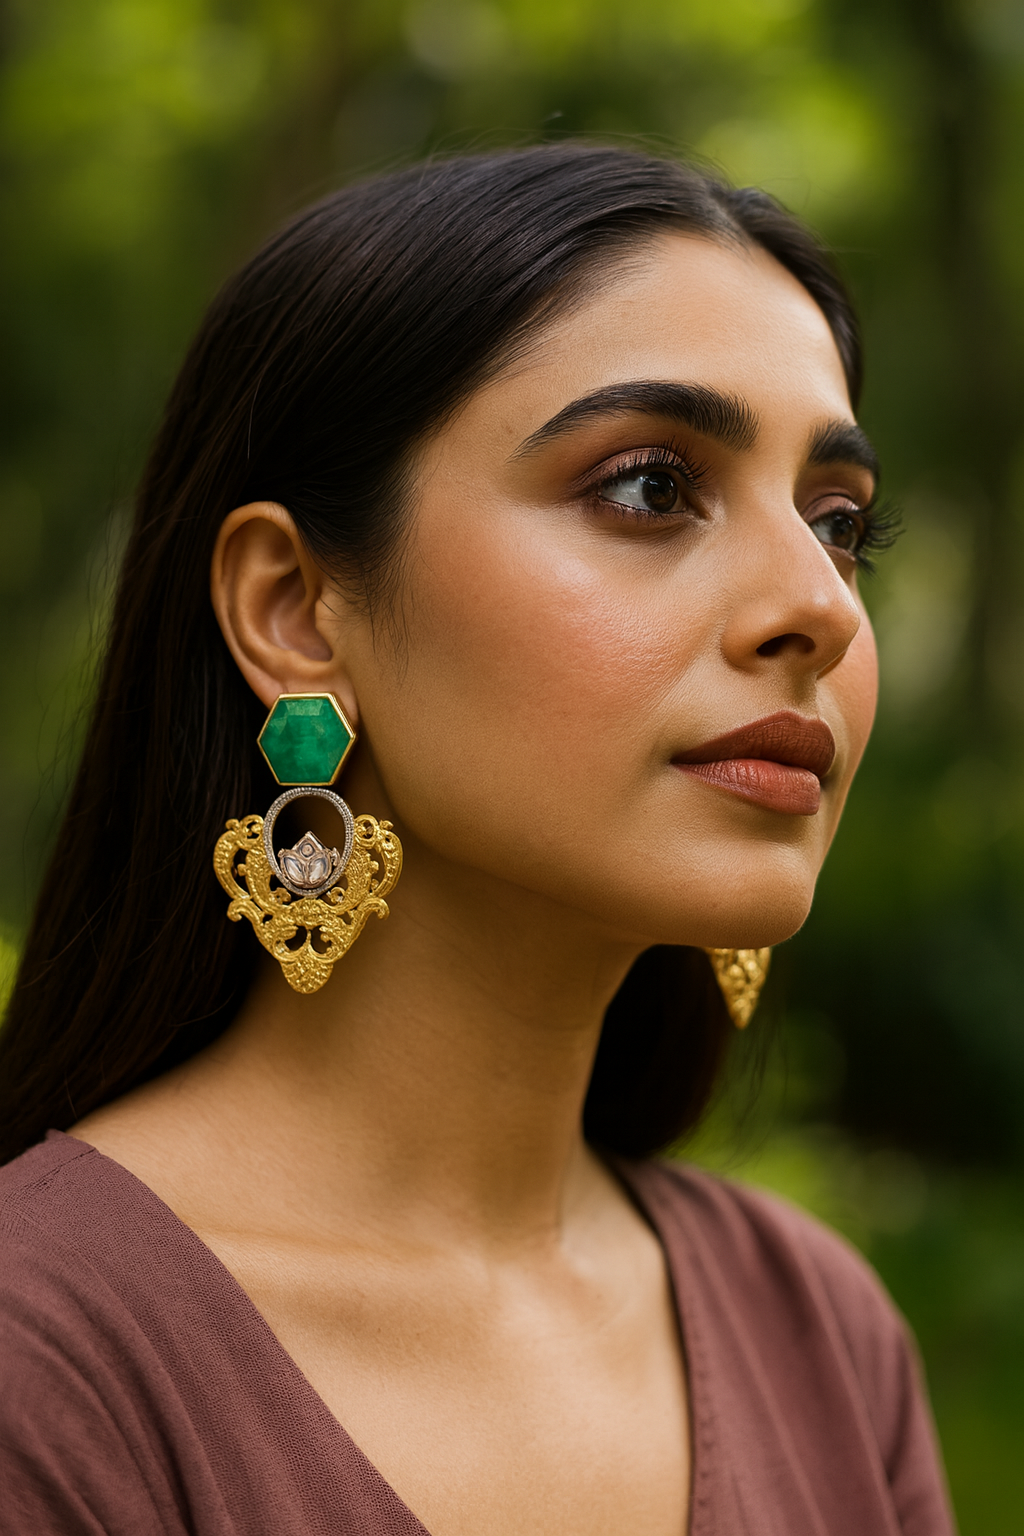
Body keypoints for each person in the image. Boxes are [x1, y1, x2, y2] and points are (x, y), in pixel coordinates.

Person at [0, 144, 954, 1535]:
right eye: (647, 488)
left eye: (839, 523)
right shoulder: (51, 1360)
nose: (819, 607)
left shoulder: (822, 1334)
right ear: (294, 612)